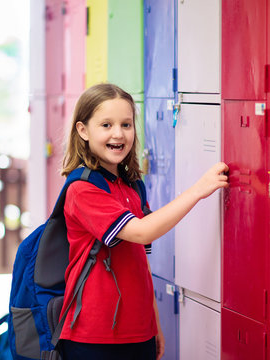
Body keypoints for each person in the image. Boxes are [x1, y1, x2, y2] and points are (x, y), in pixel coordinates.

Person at [57, 83, 229, 360]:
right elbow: (141, 231)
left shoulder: (131, 185)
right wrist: (198, 190)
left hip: (139, 332)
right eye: (106, 125)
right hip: (93, 336)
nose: (118, 133)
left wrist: (154, 324)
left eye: (126, 124)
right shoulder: (82, 190)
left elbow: (140, 262)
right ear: (83, 131)